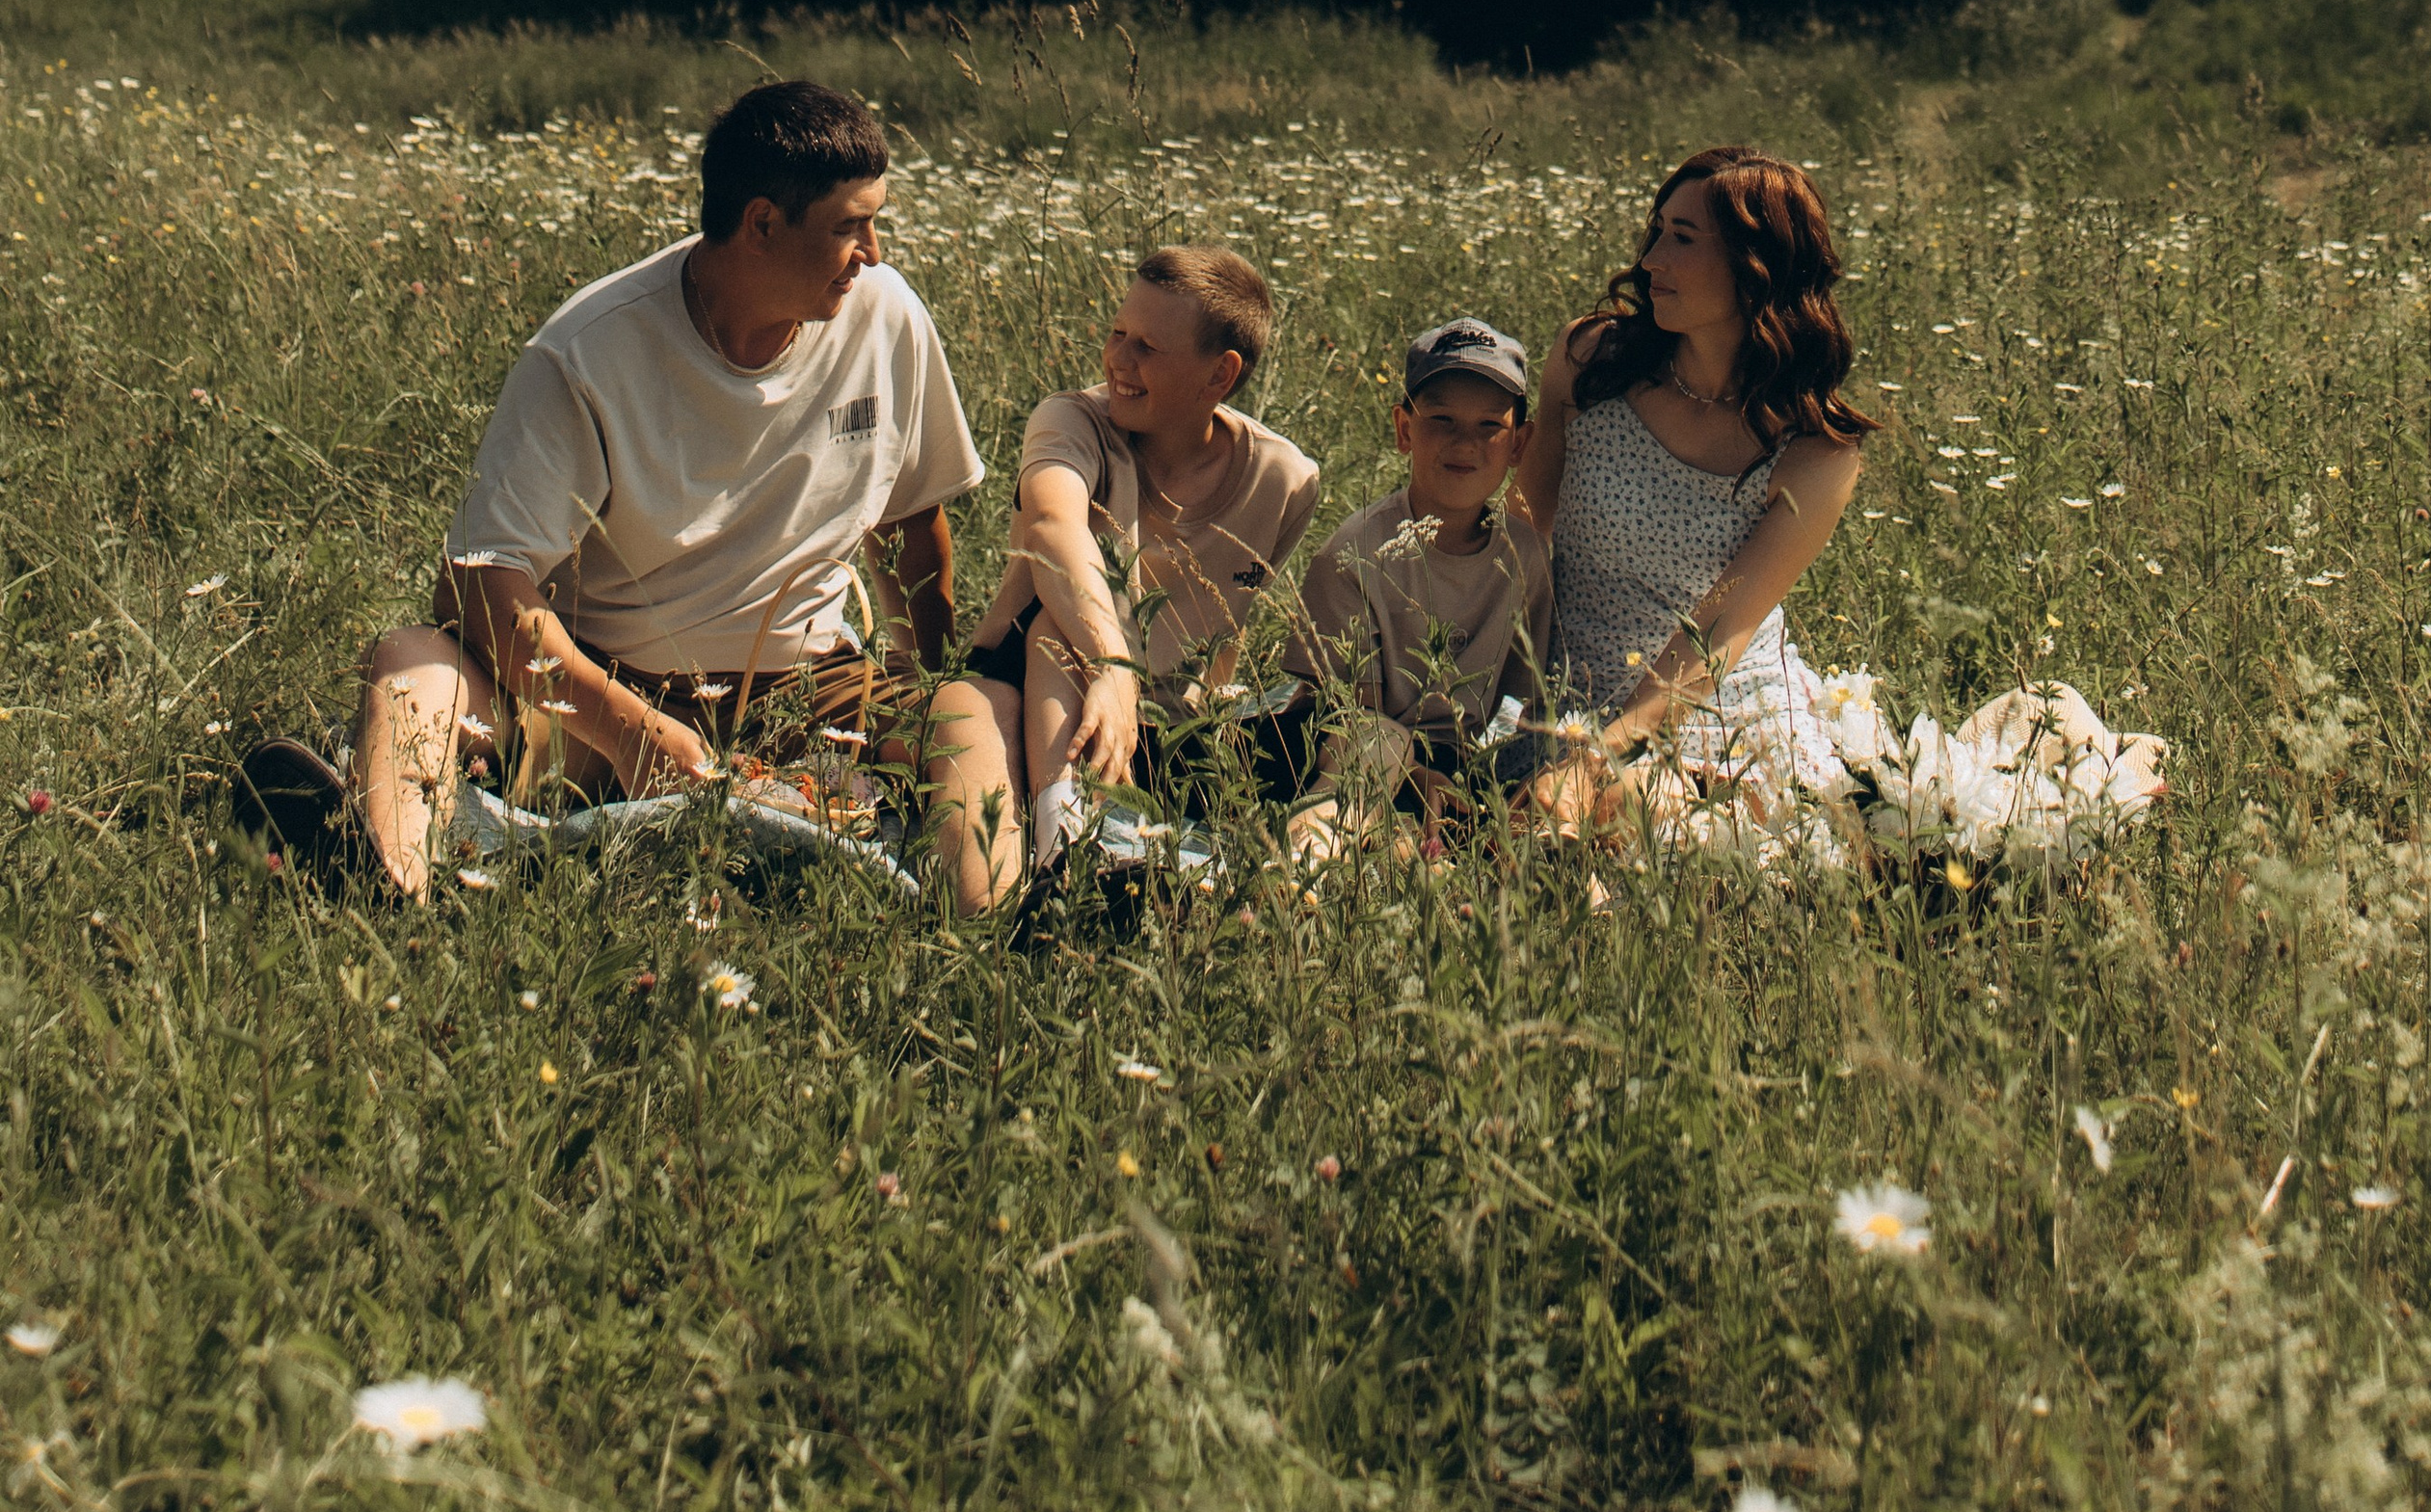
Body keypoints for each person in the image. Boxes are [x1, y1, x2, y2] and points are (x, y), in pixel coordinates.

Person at [248, 80, 984, 901]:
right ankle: (395, 883)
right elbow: (480, 581)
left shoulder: (886, 316)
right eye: (851, 228)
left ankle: (960, 908)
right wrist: (639, 737)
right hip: (604, 692)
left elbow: (914, 520)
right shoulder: (590, 350)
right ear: (763, 223)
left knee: (968, 719)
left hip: (808, 692)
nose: (874, 251)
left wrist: (918, 687)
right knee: (411, 661)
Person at [926, 247, 1320, 913]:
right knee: (980, 892)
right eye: (1117, 333)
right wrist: (1113, 668)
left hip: (1161, 724)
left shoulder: (1284, 479)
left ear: (1220, 375)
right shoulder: (1073, 420)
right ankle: (1060, 854)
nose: (1117, 360)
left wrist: (1187, 707)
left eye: (1147, 347)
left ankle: (1101, 873)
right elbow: (1055, 527)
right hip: (1012, 682)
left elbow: (1230, 621)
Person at [1515, 146, 1872, 833]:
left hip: (1712, 709)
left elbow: (1718, 632)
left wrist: (1603, 756)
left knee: (1644, 822)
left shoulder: (1814, 450)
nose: (1650, 260)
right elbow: (1524, 535)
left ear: (1755, 266)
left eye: (1682, 240)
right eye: (1656, 233)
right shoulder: (1589, 363)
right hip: (1564, 688)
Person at [1279, 315, 1552, 859]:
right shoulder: (1358, 552)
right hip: (1353, 745)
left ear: (1520, 442)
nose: (1463, 443)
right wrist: (1418, 776)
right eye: (1441, 419)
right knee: (1379, 748)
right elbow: (1346, 713)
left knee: (1552, 776)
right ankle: (1306, 866)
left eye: (1489, 427)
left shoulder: (1525, 558)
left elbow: (1522, 701)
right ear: (1405, 429)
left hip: (1463, 760)